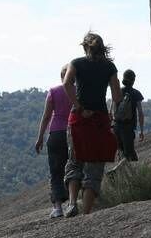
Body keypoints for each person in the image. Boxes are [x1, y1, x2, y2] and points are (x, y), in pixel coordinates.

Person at [62, 32, 121, 217]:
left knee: (74, 160)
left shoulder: (77, 63)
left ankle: (71, 204)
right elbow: (117, 96)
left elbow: (66, 83)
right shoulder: (109, 67)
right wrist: (111, 111)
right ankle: (86, 213)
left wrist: (78, 106)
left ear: (85, 46)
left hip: (79, 118)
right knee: (95, 166)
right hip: (100, 119)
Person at [34, 65, 71, 218]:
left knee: (56, 171)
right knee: (73, 167)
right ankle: (72, 202)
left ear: (62, 76)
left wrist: (40, 137)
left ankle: (57, 208)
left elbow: (46, 116)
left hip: (55, 133)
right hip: (73, 133)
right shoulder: (78, 91)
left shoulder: (54, 91)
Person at [112, 69, 145, 161]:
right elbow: (140, 113)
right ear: (133, 80)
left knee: (121, 154)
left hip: (116, 126)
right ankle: (129, 174)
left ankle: (122, 174)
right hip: (128, 127)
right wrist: (141, 130)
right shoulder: (136, 93)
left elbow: (113, 109)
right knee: (130, 156)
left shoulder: (118, 91)